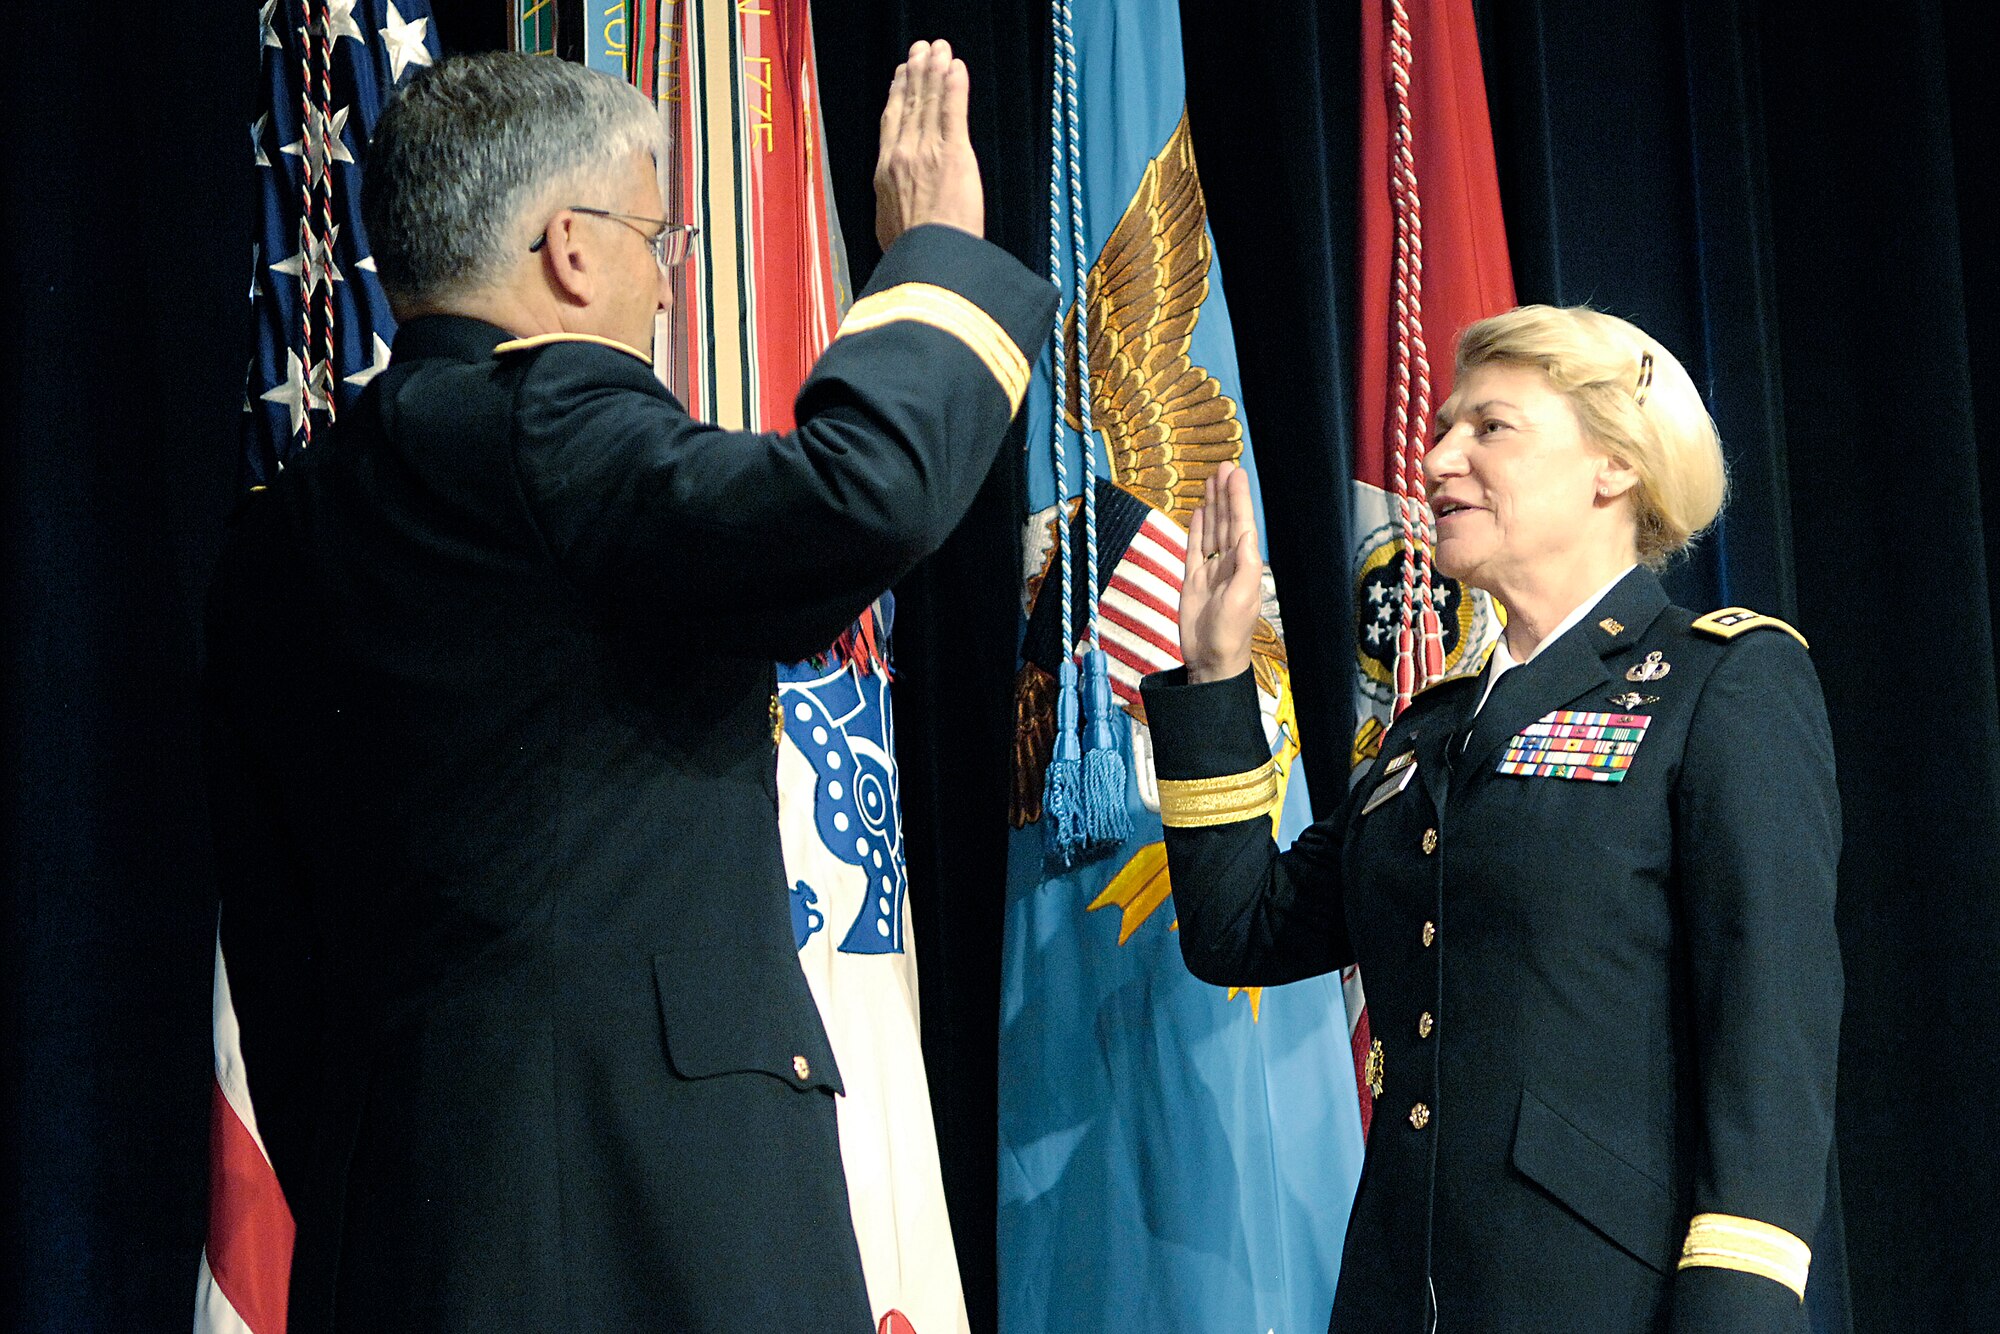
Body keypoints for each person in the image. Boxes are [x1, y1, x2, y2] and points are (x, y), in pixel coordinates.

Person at [202, 45, 1054, 1333]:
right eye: (661, 237)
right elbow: (856, 494)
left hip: (402, 1238)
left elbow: (280, 960)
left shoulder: (280, 533)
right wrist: (933, 261)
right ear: (570, 249)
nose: (666, 284)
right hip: (648, 1225)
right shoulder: (543, 420)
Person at [1143, 305, 1841, 1333]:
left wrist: (1735, 1308)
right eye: (1440, 429)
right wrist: (1213, 671)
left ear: (1611, 465)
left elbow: (1768, 1032)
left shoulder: (1721, 683)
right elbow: (1238, 925)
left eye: (1488, 428)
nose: (1434, 460)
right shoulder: (1432, 727)